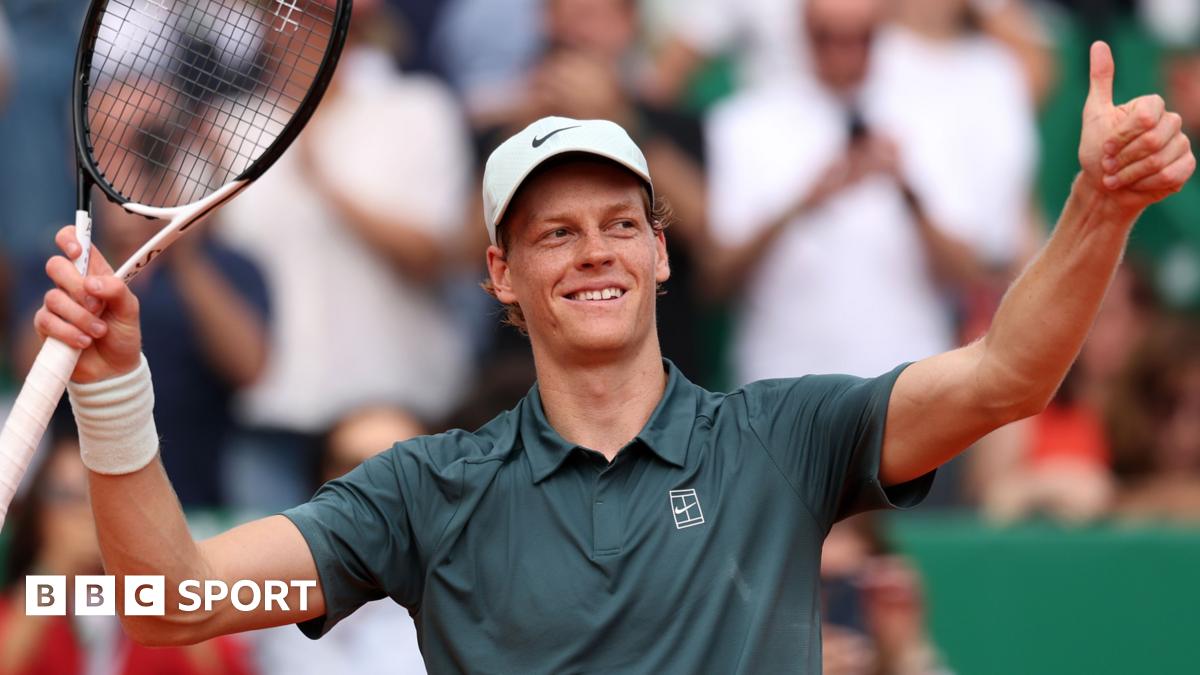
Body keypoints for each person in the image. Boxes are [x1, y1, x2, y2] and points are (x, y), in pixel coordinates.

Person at [30, 40, 1194, 672]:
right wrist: (114, 386)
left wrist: (1096, 209)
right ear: (501, 275)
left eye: (622, 223)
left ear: (662, 253)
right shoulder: (426, 492)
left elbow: (1008, 378)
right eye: (555, 231)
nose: (597, 253)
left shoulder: (781, 439)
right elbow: (173, 601)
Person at [706, 0, 1038, 383]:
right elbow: (717, 277)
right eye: (827, 38)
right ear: (802, 34)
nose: (844, 54)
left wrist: (907, 190)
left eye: (859, 39)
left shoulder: (931, 119)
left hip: (905, 388)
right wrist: (801, 204)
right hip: (781, 388)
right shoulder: (745, 123)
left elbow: (969, 271)